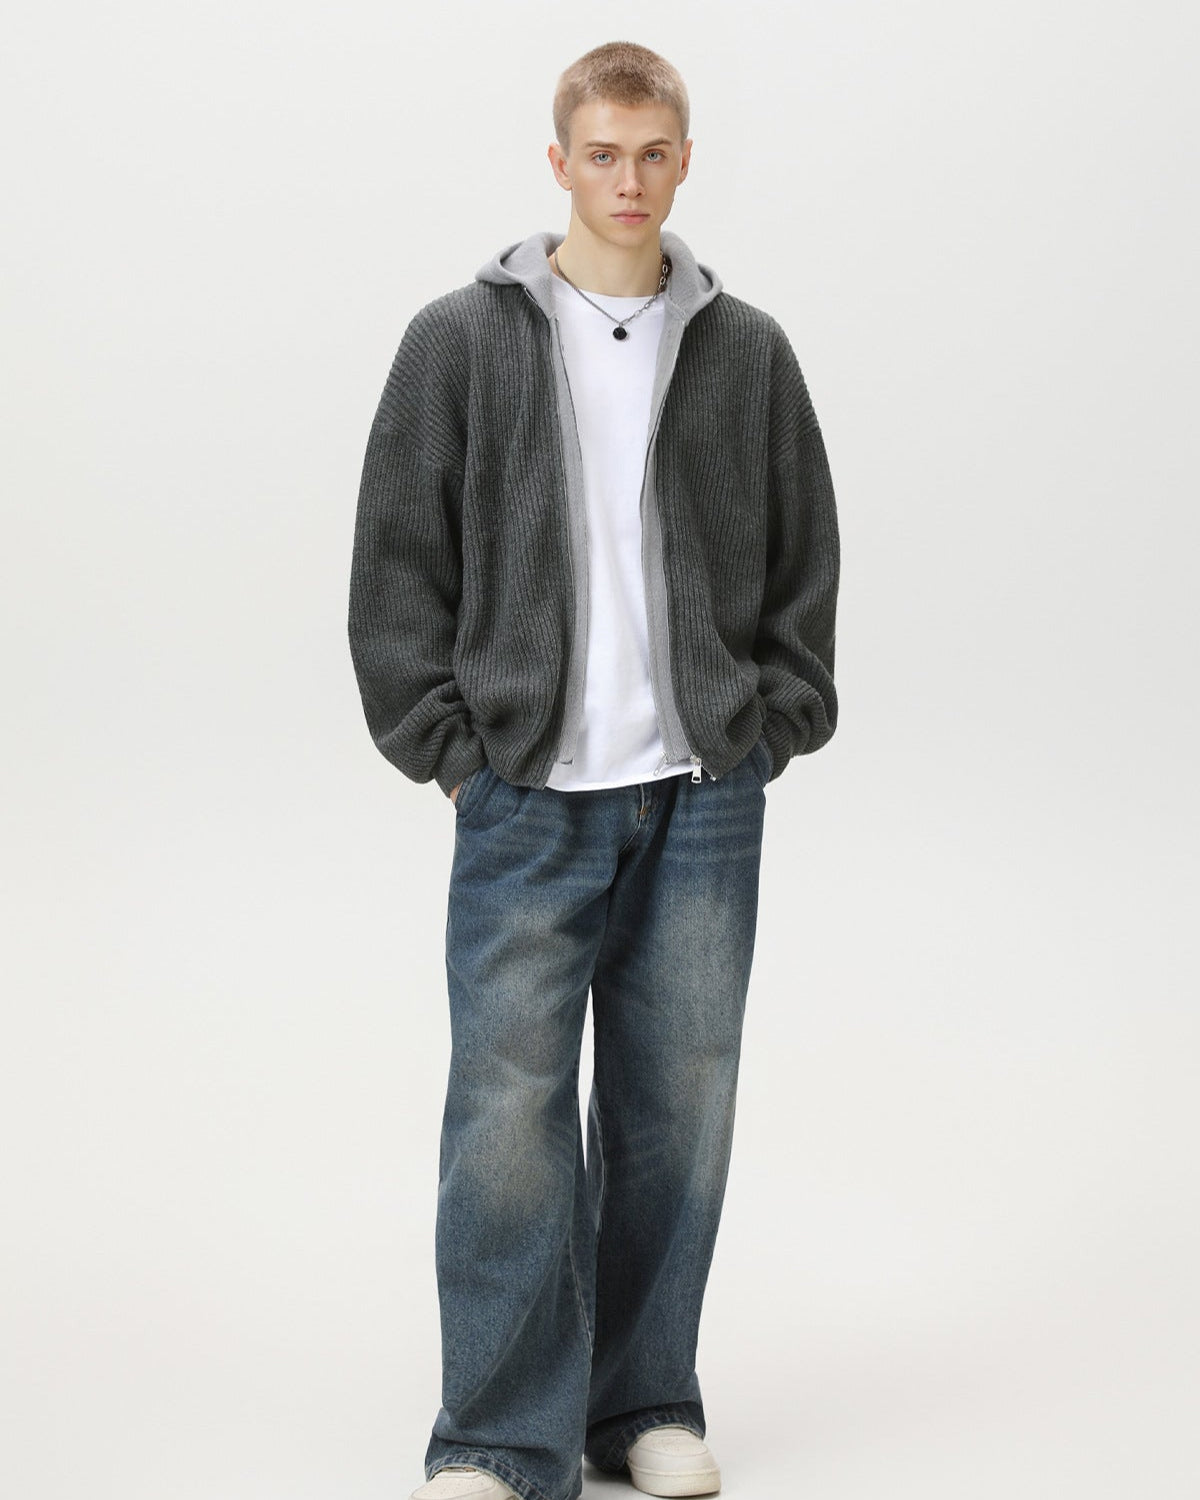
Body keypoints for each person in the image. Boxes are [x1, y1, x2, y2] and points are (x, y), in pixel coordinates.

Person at [348, 38, 840, 1500]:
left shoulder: (747, 351)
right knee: (506, 1122)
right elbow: (396, 561)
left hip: (701, 795)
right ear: (559, 162)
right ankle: (499, 1436)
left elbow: (805, 549)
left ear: (684, 162)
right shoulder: (460, 341)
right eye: (603, 154)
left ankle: (643, 1405)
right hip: (523, 793)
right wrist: (451, 755)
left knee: (676, 1111)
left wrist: (769, 723)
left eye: (653, 153)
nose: (629, 179)